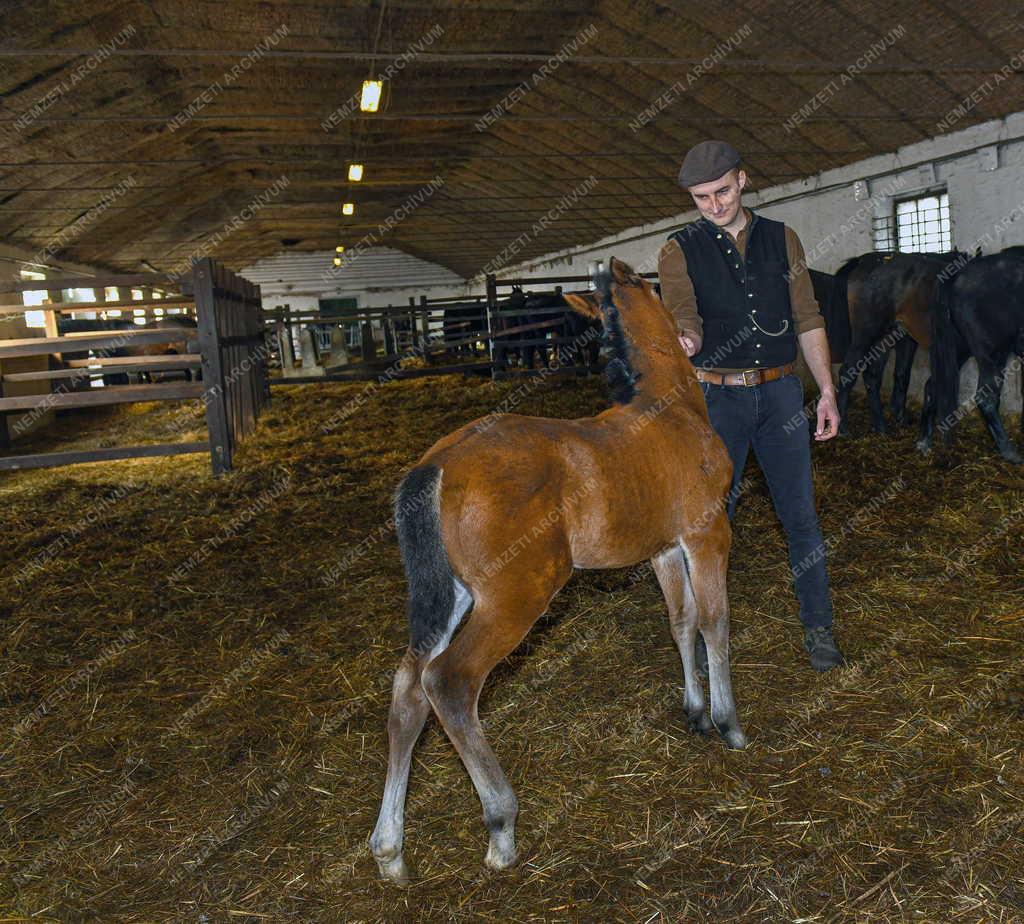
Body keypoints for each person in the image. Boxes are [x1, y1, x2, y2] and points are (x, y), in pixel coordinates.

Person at [657, 139, 845, 673]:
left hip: (782, 392)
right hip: (716, 400)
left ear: (742, 179)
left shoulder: (782, 239)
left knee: (801, 516)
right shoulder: (678, 249)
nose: (713, 205)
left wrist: (826, 390)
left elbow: (807, 317)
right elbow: (683, 315)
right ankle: (701, 640)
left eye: (721, 191)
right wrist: (685, 341)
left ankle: (819, 626)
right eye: (700, 198)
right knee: (712, 520)